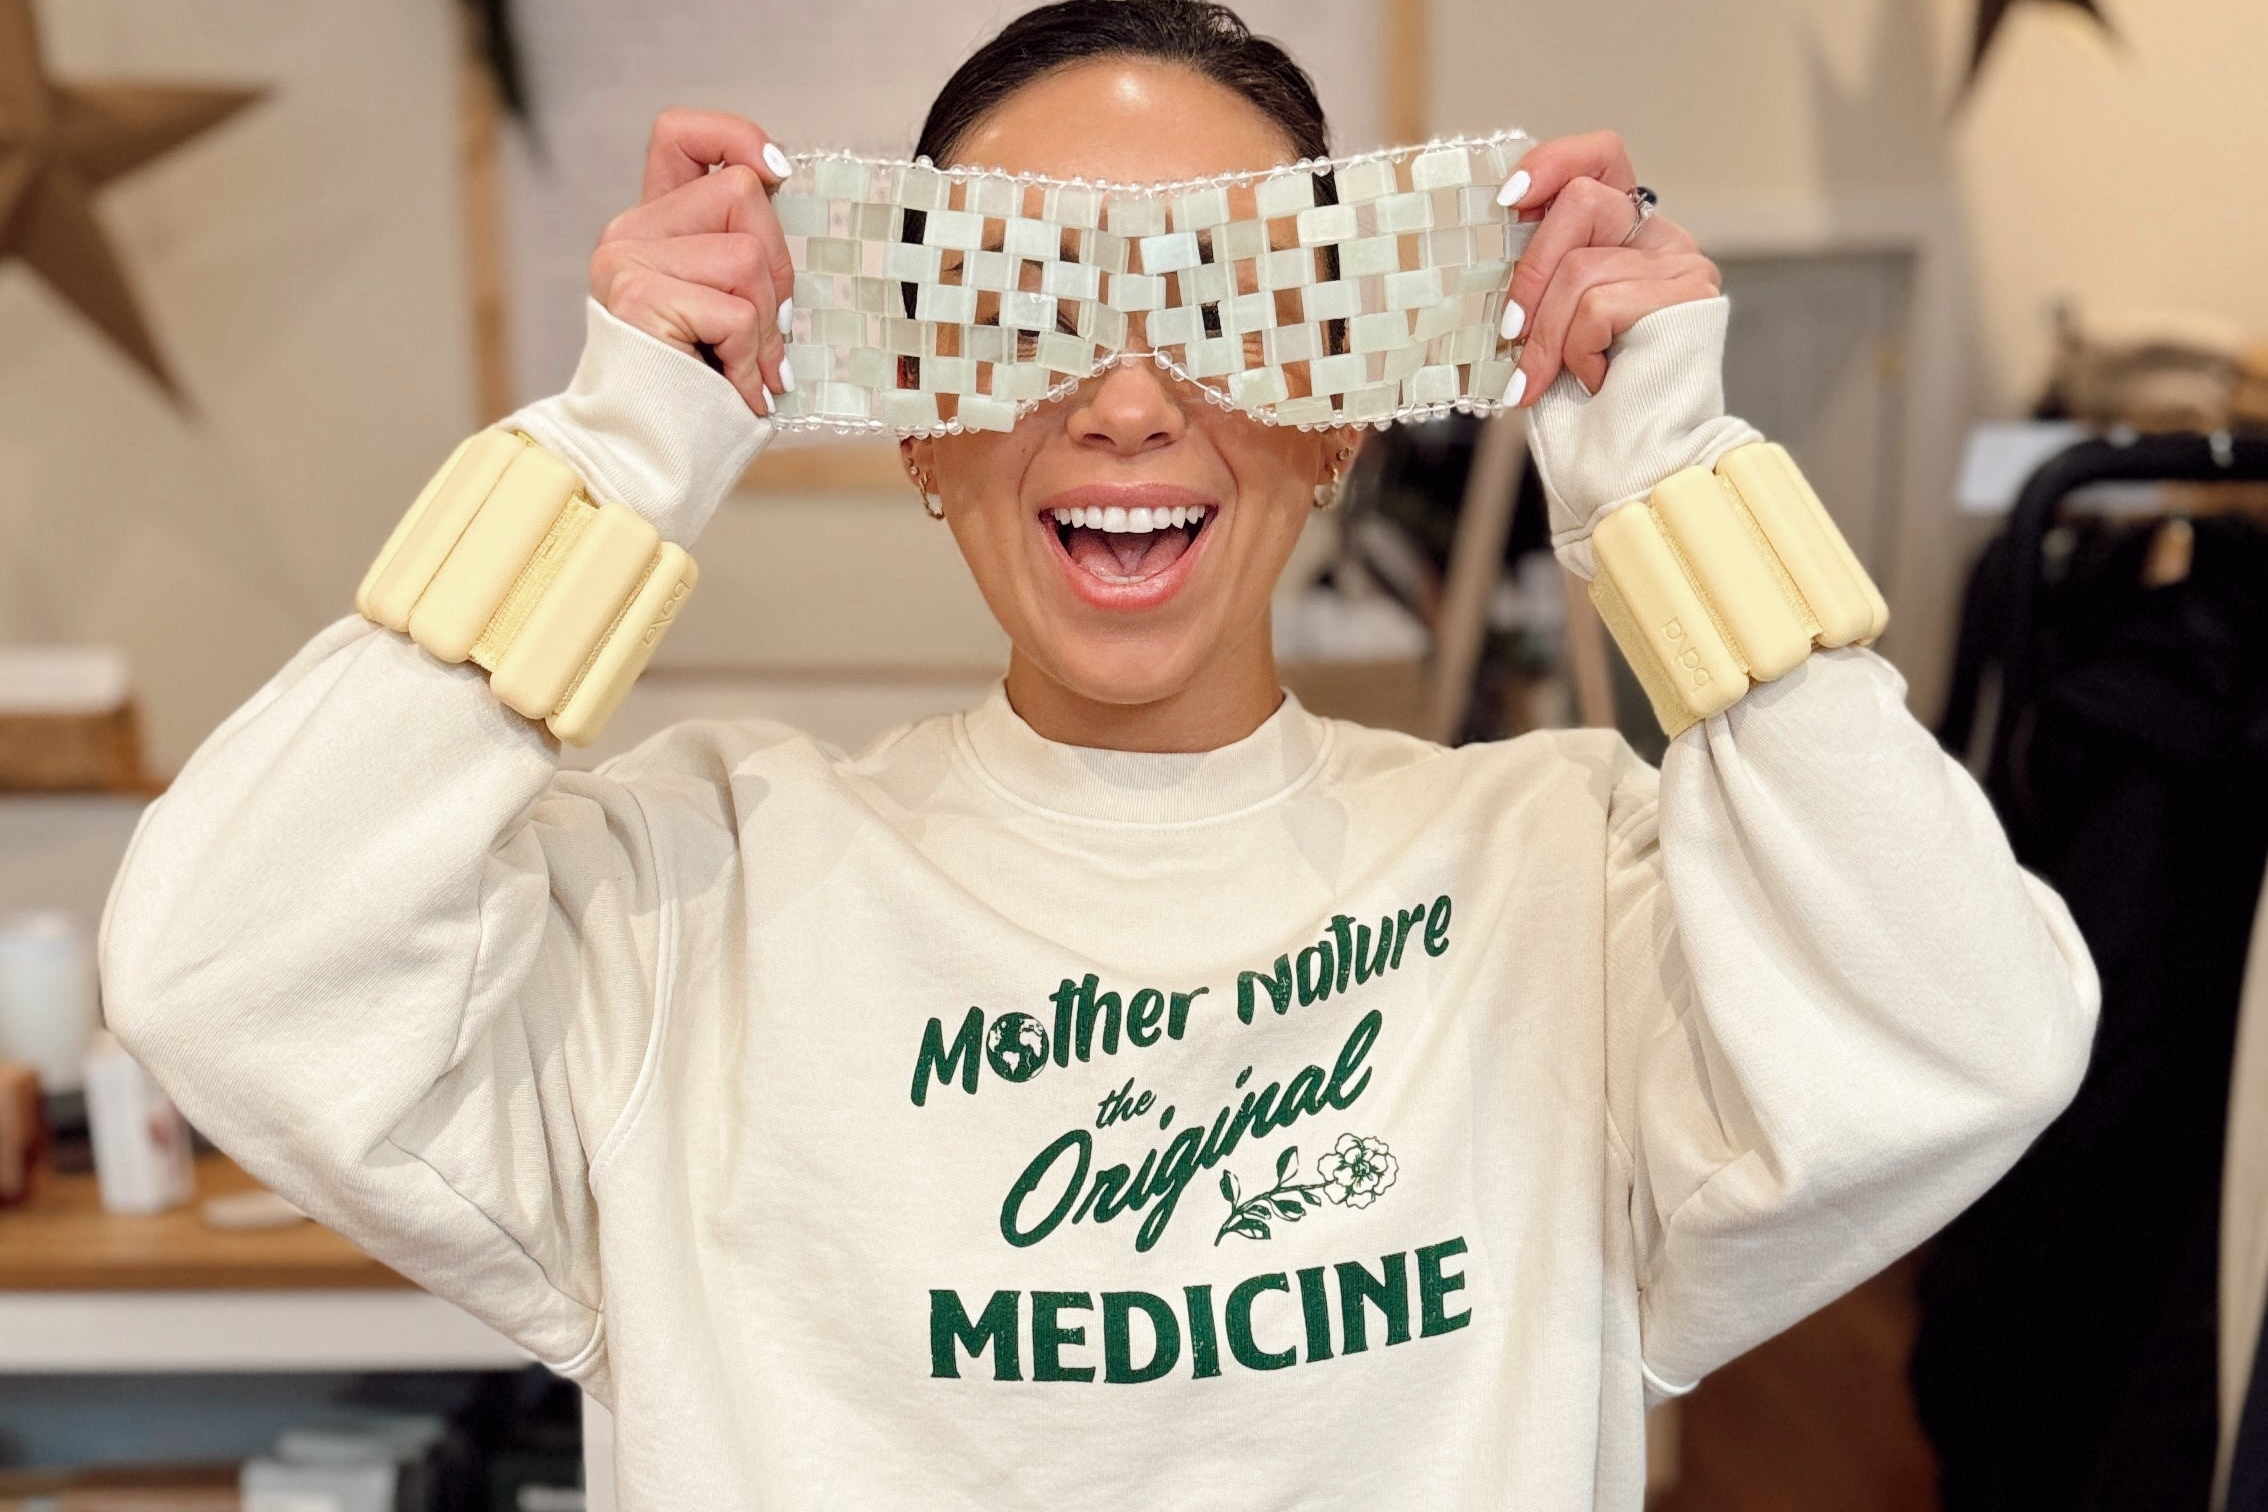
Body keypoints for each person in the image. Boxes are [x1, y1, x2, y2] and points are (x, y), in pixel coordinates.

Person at [97, 2, 2099, 1507]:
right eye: (1022, 307)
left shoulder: (1563, 868)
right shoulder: (690, 884)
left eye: (1225, 309)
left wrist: (1670, 479)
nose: (1127, 398)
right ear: (917, 423)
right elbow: (218, 963)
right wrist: (621, 453)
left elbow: (1975, 1032)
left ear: (1332, 415)